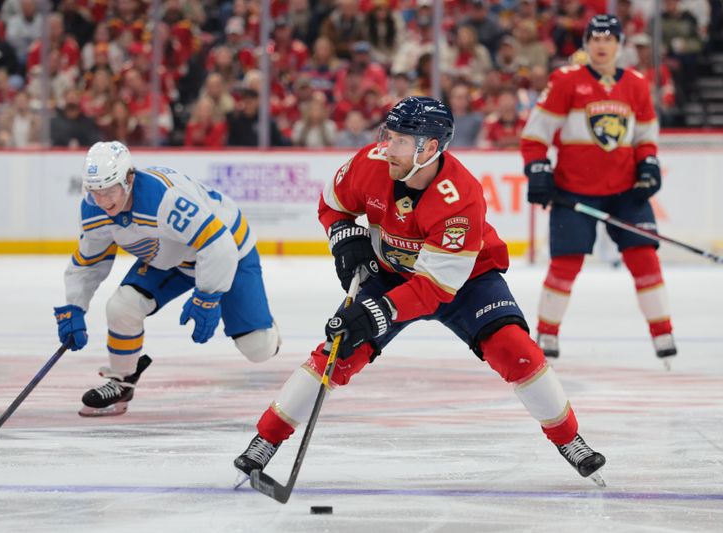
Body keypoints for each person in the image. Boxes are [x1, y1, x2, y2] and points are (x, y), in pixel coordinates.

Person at [233, 96, 606, 487]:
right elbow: (332, 204)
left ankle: (569, 440)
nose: (387, 146)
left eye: (400, 140)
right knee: (338, 351)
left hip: (466, 282)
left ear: (430, 148)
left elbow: (433, 288)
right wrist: (344, 238)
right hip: (391, 273)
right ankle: (265, 440)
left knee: (515, 349)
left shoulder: (460, 197)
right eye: (388, 135)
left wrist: (374, 312)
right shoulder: (370, 163)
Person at [53, 141, 281, 416]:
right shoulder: (93, 209)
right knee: (122, 307)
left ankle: (266, 326)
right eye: (94, 192)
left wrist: (208, 296)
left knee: (258, 348)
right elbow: (90, 261)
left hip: (229, 251)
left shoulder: (162, 199)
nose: (102, 201)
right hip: (168, 255)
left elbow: (217, 244)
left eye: (109, 190)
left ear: (129, 179)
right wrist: (75, 306)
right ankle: (122, 380)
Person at [520, 15, 677, 365]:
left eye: (608, 39)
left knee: (645, 258)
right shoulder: (566, 81)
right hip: (574, 190)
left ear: (619, 45)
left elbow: (645, 137)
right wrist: (538, 168)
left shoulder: (636, 84)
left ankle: (662, 330)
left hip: (626, 191)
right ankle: (547, 332)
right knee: (566, 263)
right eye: (595, 39)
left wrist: (648, 163)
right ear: (586, 44)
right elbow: (535, 135)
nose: (601, 45)